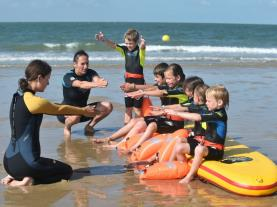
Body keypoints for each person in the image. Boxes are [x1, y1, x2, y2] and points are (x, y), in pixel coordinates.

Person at [1, 60, 98, 187]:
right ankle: (29, 181)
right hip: (28, 164)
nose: (48, 83)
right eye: (47, 78)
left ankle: (16, 175)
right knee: (67, 171)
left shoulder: (17, 95)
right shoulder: (34, 101)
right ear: (39, 78)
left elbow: (54, 107)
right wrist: (83, 110)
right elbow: (59, 109)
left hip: (8, 162)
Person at [166, 84, 229, 184]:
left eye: (209, 101)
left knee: (199, 149)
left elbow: (198, 117)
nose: (206, 103)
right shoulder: (211, 110)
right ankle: (182, 169)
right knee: (179, 148)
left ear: (219, 102)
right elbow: (193, 110)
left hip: (216, 150)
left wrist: (176, 113)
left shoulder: (219, 114)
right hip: (205, 145)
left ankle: (190, 176)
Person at [92, 62, 168, 144]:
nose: (155, 79)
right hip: (163, 117)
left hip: (168, 121)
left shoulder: (169, 88)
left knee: (140, 123)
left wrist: (135, 88)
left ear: (165, 77)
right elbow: (150, 87)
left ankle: (121, 144)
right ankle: (109, 138)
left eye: (157, 77)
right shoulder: (161, 85)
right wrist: (134, 90)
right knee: (133, 121)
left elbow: (157, 90)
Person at [122, 63, 188, 152]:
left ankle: (135, 147)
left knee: (150, 125)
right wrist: (136, 88)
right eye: (167, 78)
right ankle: (120, 143)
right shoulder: (172, 86)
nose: (167, 81)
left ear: (178, 77)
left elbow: (161, 92)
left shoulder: (181, 90)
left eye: (169, 78)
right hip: (168, 119)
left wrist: (142, 92)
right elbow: (154, 87)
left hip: (178, 124)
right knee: (136, 121)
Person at [57, 50, 113, 137]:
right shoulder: (68, 76)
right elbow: (81, 84)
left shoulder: (90, 73)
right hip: (66, 113)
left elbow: (97, 79)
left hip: (84, 110)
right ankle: (67, 127)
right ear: (75, 64)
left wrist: (102, 81)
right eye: (82, 64)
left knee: (108, 106)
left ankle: (89, 126)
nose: (85, 66)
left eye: (87, 63)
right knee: (76, 116)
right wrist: (97, 84)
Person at [95, 29, 146, 124]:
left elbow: (143, 47)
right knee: (128, 109)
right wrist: (103, 39)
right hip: (127, 85)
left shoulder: (140, 52)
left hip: (139, 86)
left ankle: (139, 129)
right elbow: (113, 45)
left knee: (137, 110)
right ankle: (126, 129)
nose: (128, 45)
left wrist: (143, 44)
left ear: (136, 42)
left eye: (130, 43)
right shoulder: (124, 50)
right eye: (126, 43)